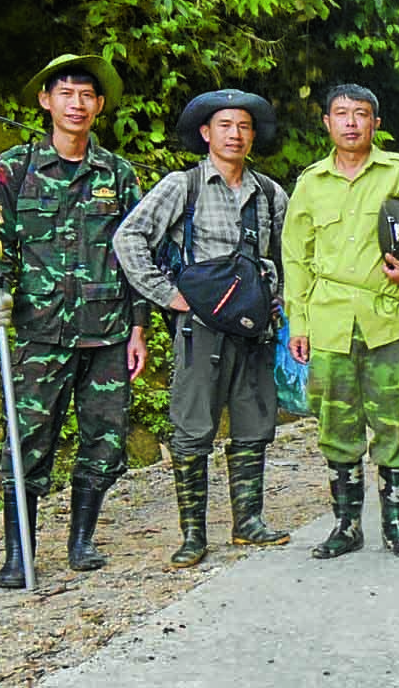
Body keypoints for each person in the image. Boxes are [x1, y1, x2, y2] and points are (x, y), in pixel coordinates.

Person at [0, 54, 148, 588]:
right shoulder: (13, 170)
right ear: (45, 101)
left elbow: (136, 254)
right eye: (65, 93)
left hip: (106, 333)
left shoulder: (118, 176)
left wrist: (139, 326)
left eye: (86, 95)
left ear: (99, 106)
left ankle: (81, 540)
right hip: (36, 331)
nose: (76, 104)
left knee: (105, 440)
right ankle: (18, 553)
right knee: (27, 441)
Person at [113, 89, 291, 568]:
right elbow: (129, 237)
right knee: (192, 429)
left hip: (254, 327)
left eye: (244, 127)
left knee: (254, 424)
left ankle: (248, 521)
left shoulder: (271, 194)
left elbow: (288, 258)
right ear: (206, 134)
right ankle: (193, 534)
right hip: (199, 328)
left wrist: (281, 303)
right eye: (225, 126)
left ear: (254, 136)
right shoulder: (182, 186)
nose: (235, 135)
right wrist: (168, 295)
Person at [282, 84, 399, 561]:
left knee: (398, 421)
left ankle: (395, 526)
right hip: (328, 319)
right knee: (336, 423)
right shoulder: (311, 183)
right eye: (341, 114)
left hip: (389, 317)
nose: (352, 123)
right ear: (327, 123)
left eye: (361, 114)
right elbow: (295, 256)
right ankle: (346, 525)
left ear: (376, 123)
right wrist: (298, 321)